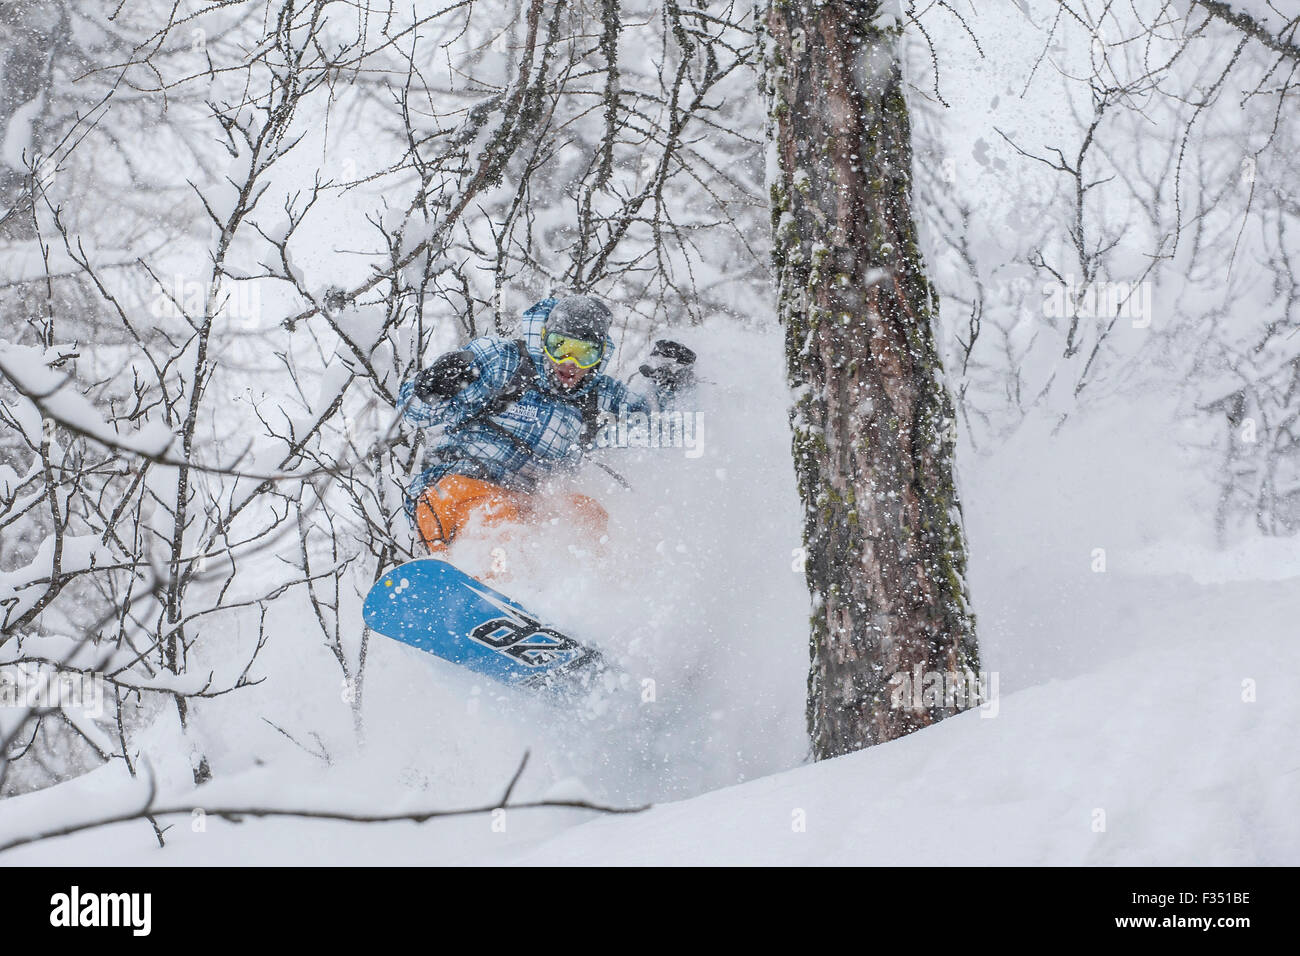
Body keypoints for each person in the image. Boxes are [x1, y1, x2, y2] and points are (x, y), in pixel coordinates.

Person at [397, 295, 695, 555]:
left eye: (584, 353)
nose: (570, 363)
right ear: (544, 340)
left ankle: (584, 603)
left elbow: (667, 431)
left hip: (527, 505)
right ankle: (497, 593)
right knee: (496, 516)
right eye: (560, 346)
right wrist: (433, 388)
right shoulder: (504, 363)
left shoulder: (594, 396)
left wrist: (670, 387)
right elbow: (413, 414)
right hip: (453, 494)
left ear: (599, 356)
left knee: (585, 515)